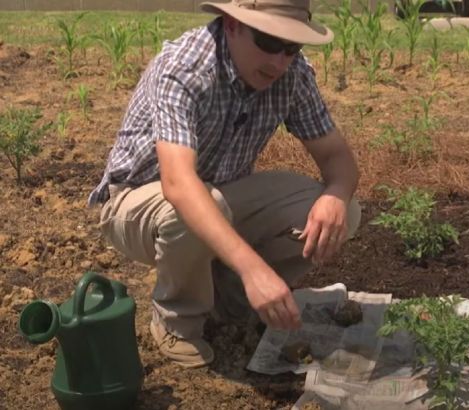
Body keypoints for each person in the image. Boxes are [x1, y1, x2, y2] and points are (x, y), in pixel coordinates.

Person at [88, 0, 361, 368]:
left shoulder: (292, 74)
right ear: (232, 24)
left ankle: (231, 304)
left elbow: (336, 158)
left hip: (221, 197)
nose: (279, 61)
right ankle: (177, 320)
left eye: (291, 46)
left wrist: (336, 195)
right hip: (137, 204)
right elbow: (178, 184)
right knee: (198, 205)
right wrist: (254, 269)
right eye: (268, 41)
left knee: (344, 211)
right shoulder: (183, 68)